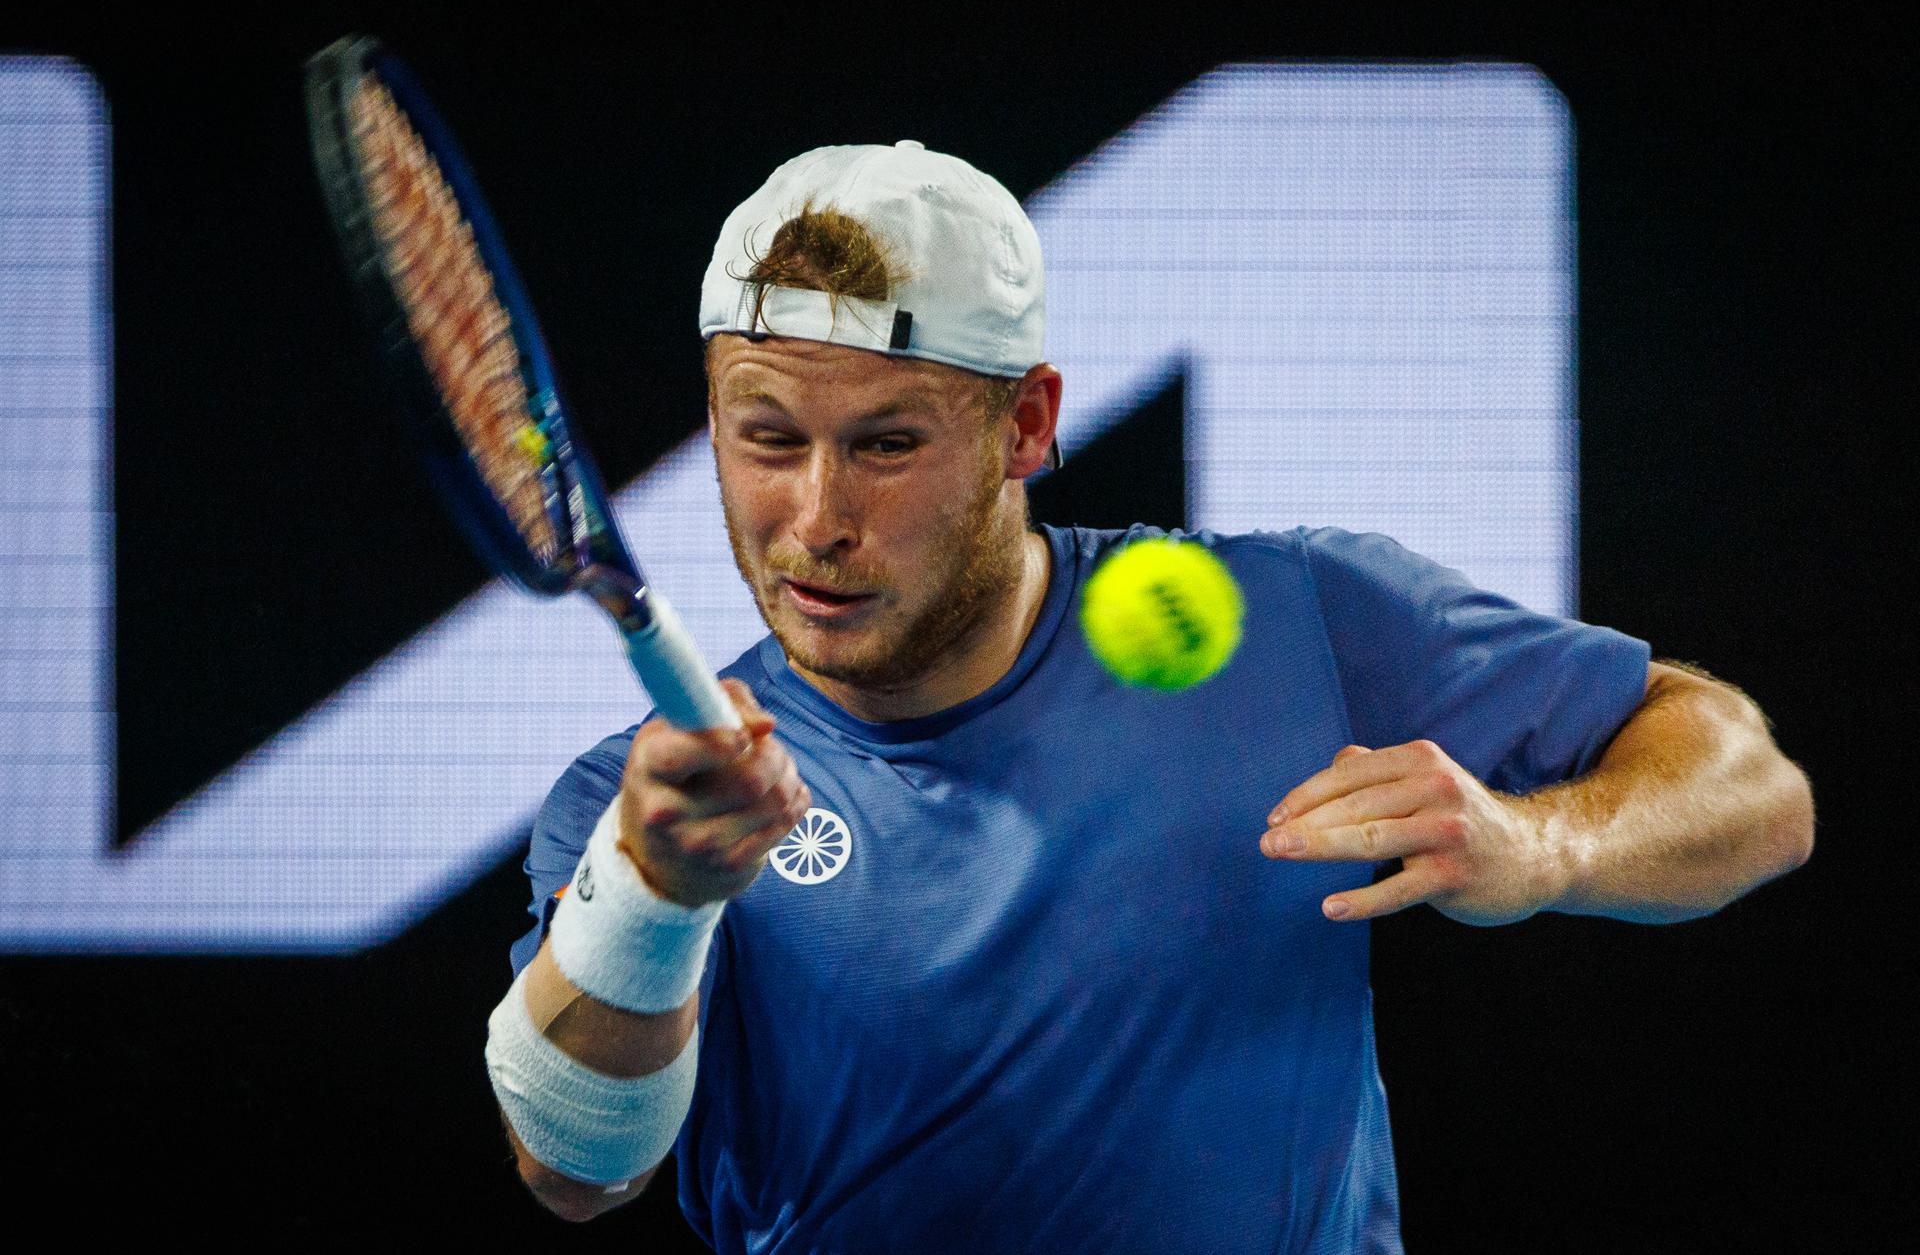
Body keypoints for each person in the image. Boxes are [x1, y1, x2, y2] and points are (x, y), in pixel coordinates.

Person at [483, 141, 1815, 1251]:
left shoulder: (1300, 618)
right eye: (768, 438)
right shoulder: (634, 808)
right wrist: (653, 895)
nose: (816, 520)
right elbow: (576, 1174)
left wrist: (1542, 841)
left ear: (1028, 426)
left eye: (888, 444)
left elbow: (1756, 794)